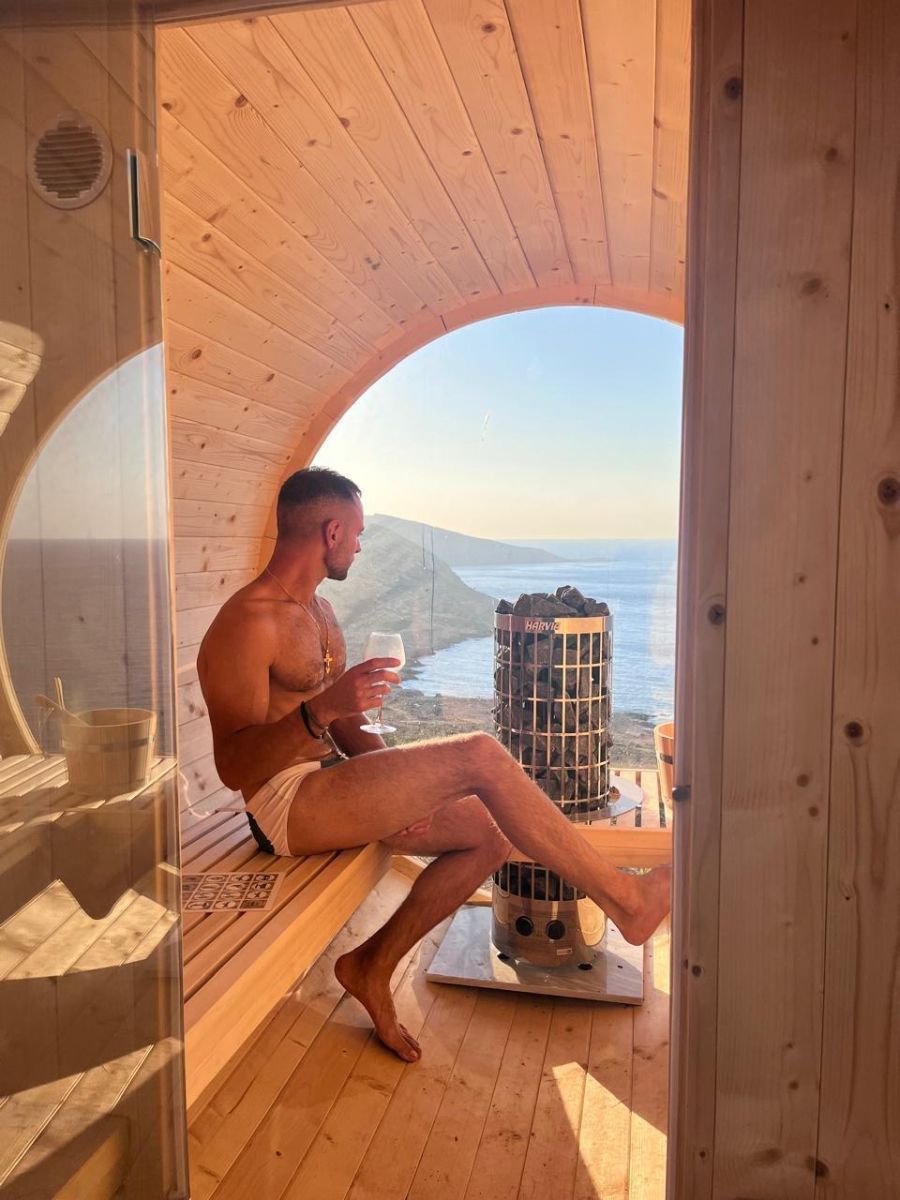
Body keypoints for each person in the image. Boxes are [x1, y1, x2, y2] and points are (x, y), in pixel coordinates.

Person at [198, 467, 671, 1062]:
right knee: (480, 753)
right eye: (357, 533)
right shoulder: (247, 623)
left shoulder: (318, 611)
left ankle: (371, 965)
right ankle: (626, 901)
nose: (360, 546)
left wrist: (399, 788)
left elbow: (341, 721)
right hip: (284, 804)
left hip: (333, 782)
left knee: (488, 833)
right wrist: (323, 711)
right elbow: (235, 766)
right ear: (332, 531)